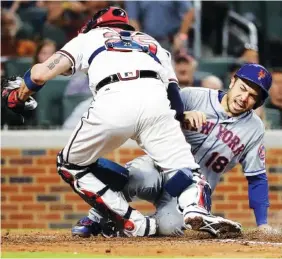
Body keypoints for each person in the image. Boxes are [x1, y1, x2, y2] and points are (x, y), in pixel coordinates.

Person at [5, 6, 241, 238]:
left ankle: (132, 222)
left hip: (114, 97)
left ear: (95, 24)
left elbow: (38, 75)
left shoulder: (89, 37)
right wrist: (178, 118)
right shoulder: (152, 43)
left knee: (69, 164)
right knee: (186, 170)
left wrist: (18, 96)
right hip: (156, 101)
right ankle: (196, 209)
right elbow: (173, 91)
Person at [72, 63, 273, 237]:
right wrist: (180, 114)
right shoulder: (193, 96)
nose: (244, 97)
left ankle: (121, 227)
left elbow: (257, 178)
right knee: (136, 177)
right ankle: (95, 218)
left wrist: (262, 223)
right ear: (232, 81)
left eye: (252, 96)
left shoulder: (254, 129)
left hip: (191, 192)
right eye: (242, 88)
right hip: (160, 168)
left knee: (171, 228)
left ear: (258, 102)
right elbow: (150, 113)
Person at [124, 1, 195, 53]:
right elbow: (132, 19)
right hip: (147, 42)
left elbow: (189, 12)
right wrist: (138, 42)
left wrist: (182, 36)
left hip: (172, 41)